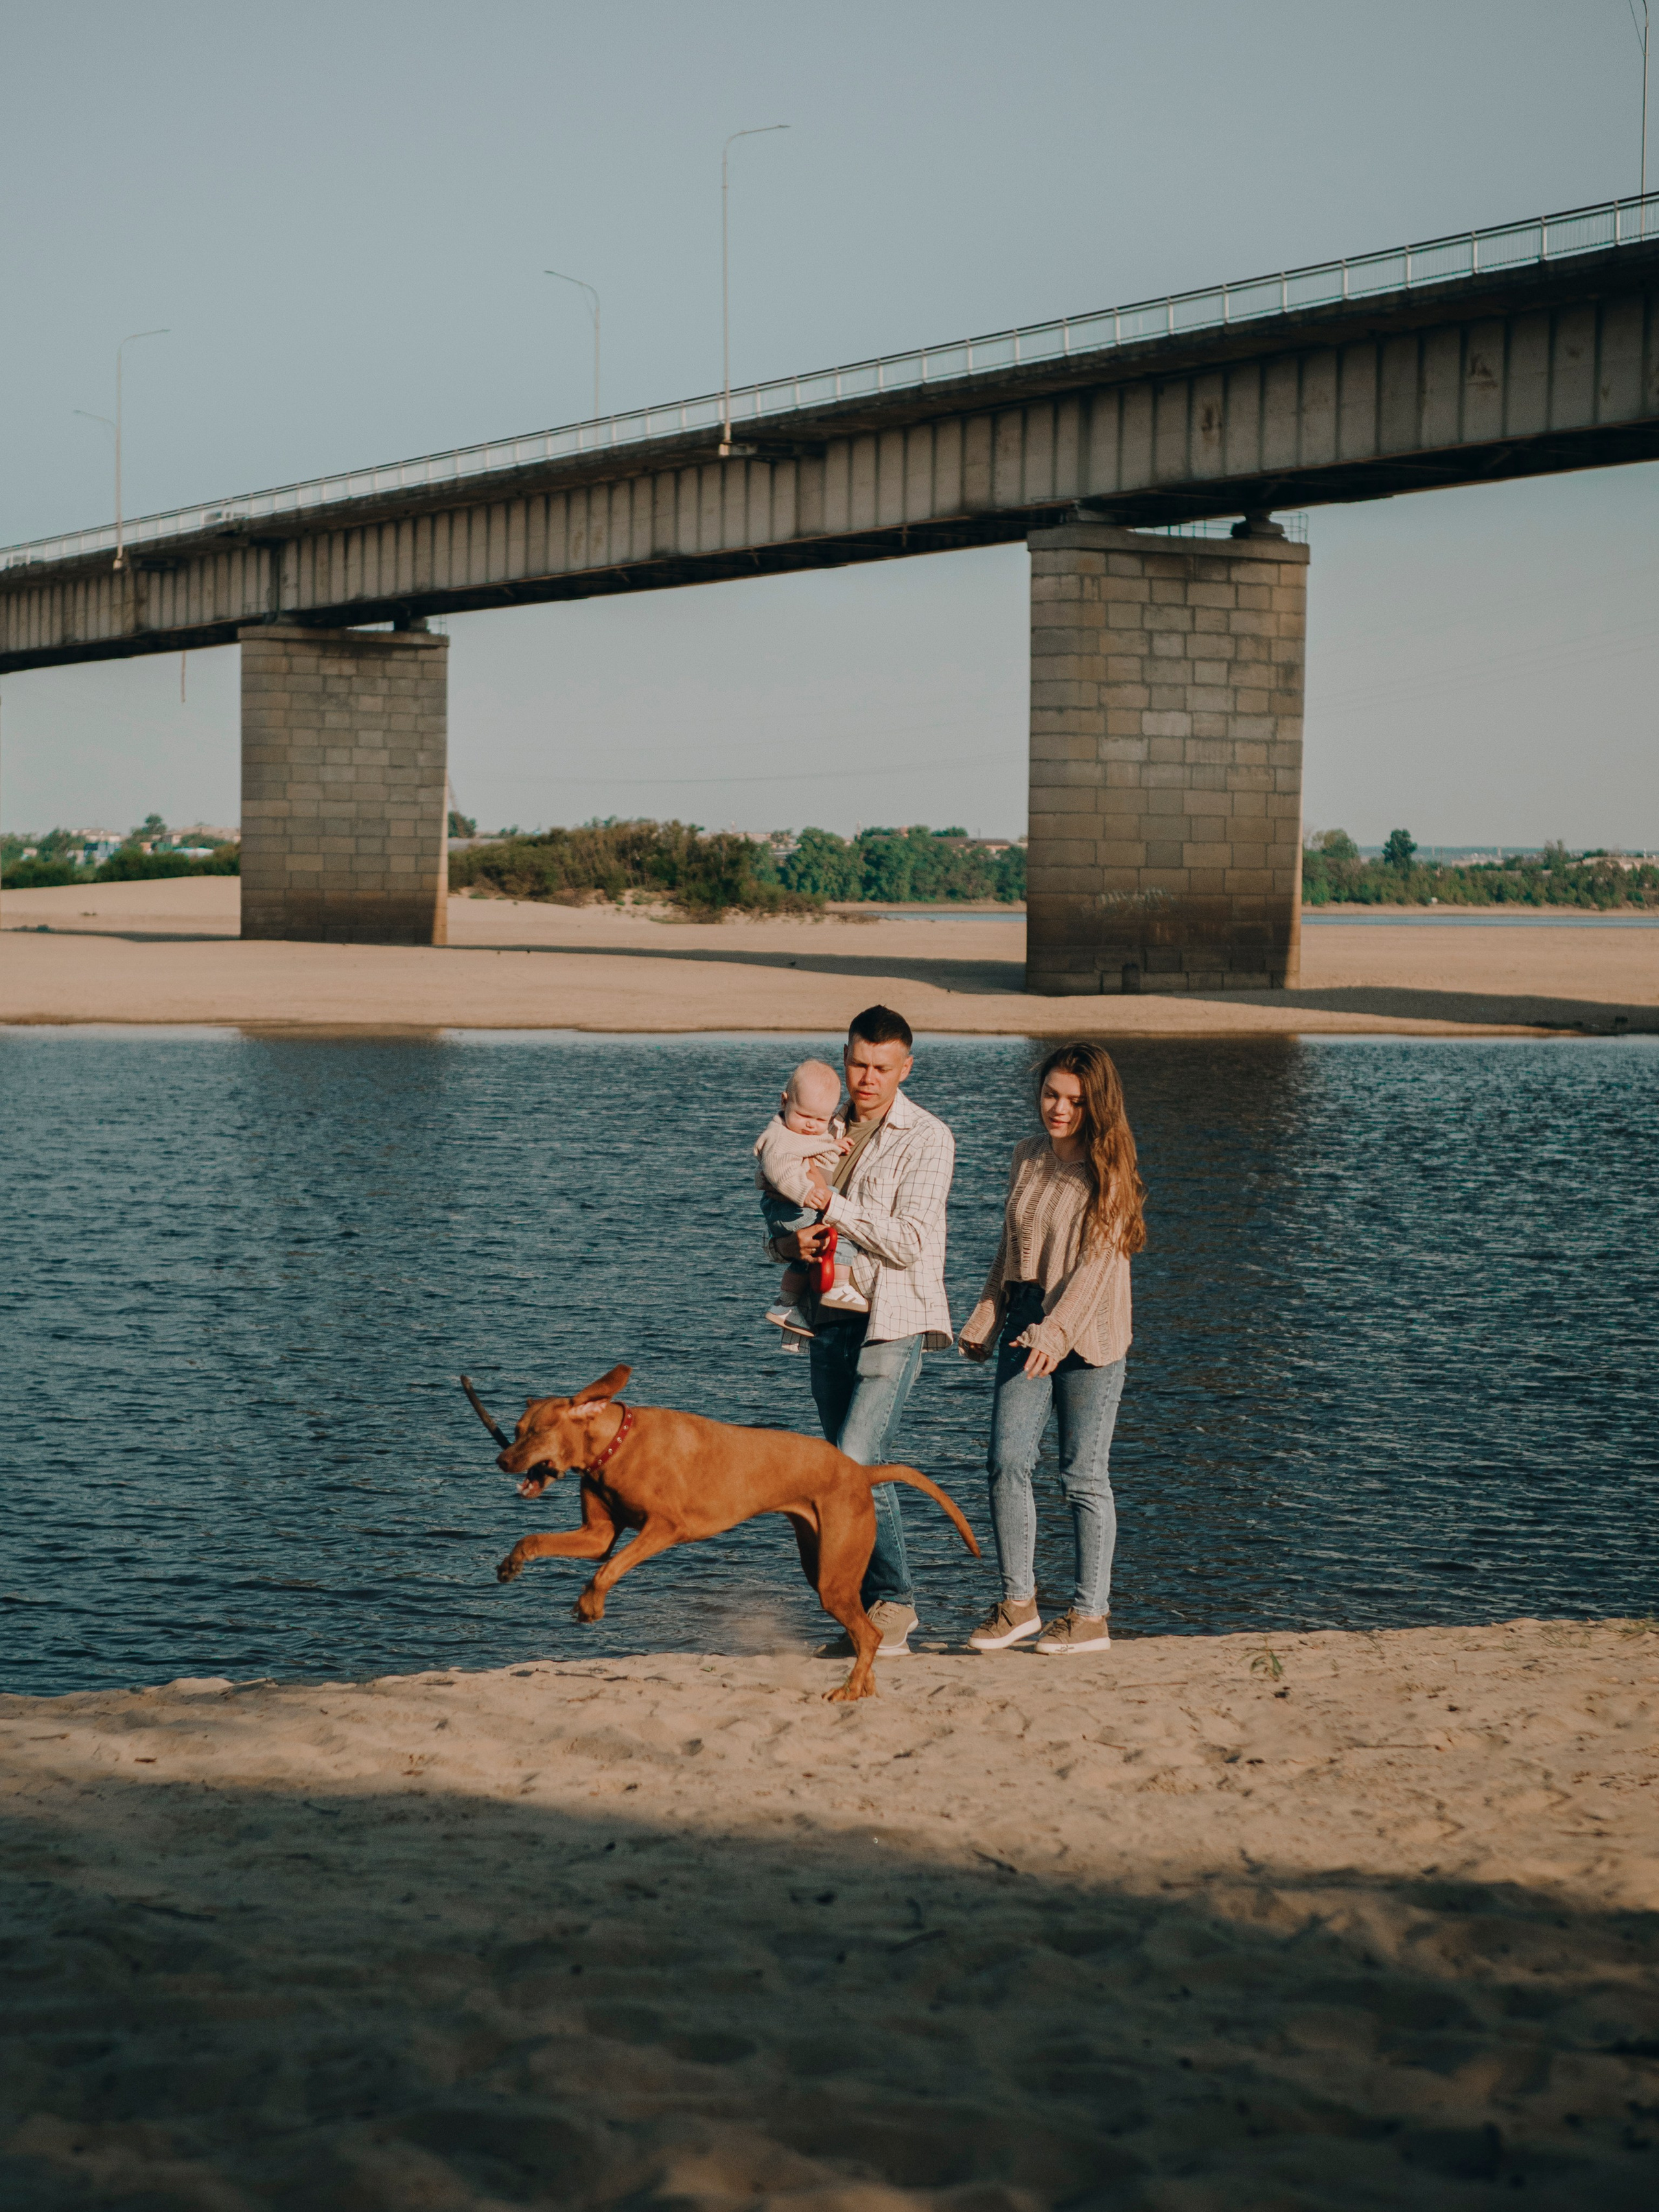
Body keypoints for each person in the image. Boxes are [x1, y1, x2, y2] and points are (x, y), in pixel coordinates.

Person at [767, 1005, 955, 1657]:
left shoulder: (928, 1136)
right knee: (844, 1469)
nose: (867, 1078)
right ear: (844, 1058)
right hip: (825, 1318)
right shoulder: (818, 1122)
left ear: (906, 1068)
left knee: (853, 1460)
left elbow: (908, 1241)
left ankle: (895, 1602)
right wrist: (786, 1245)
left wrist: (832, 1203)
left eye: (881, 1066)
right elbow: (780, 1220)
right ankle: (866, 1612)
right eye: (857, 1063)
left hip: (893, 1319)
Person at [957, 1042, 1146, 1655]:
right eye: (1051, 1095)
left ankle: (1091, 1615)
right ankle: (1019, 1604)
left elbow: (1095, 1268)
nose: (1058, 1109)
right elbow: (1009, 1246)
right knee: (1007, 1460)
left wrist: (1057, 1332)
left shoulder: (1109, 1172)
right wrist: (988, 1314)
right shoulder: (1027, 1155)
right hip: (1026, 1320)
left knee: (1082, 1475)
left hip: (1090, 1334)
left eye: (1074, 1100)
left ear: (1097, 1105)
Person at [754, 1058, 869, 1337]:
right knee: (837, 1228)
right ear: (784, 1102)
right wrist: (805, 1193)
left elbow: (811, 1145)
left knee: (805, 1258)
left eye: (820, 1120)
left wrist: (832, 1144)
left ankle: (786, 1304)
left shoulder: (796, 1132)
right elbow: (779, 1171)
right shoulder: (779, 1138)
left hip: (788, 1210)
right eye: (804, 1115)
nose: (810, 1126)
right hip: (790, 1208)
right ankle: (838, 1287)